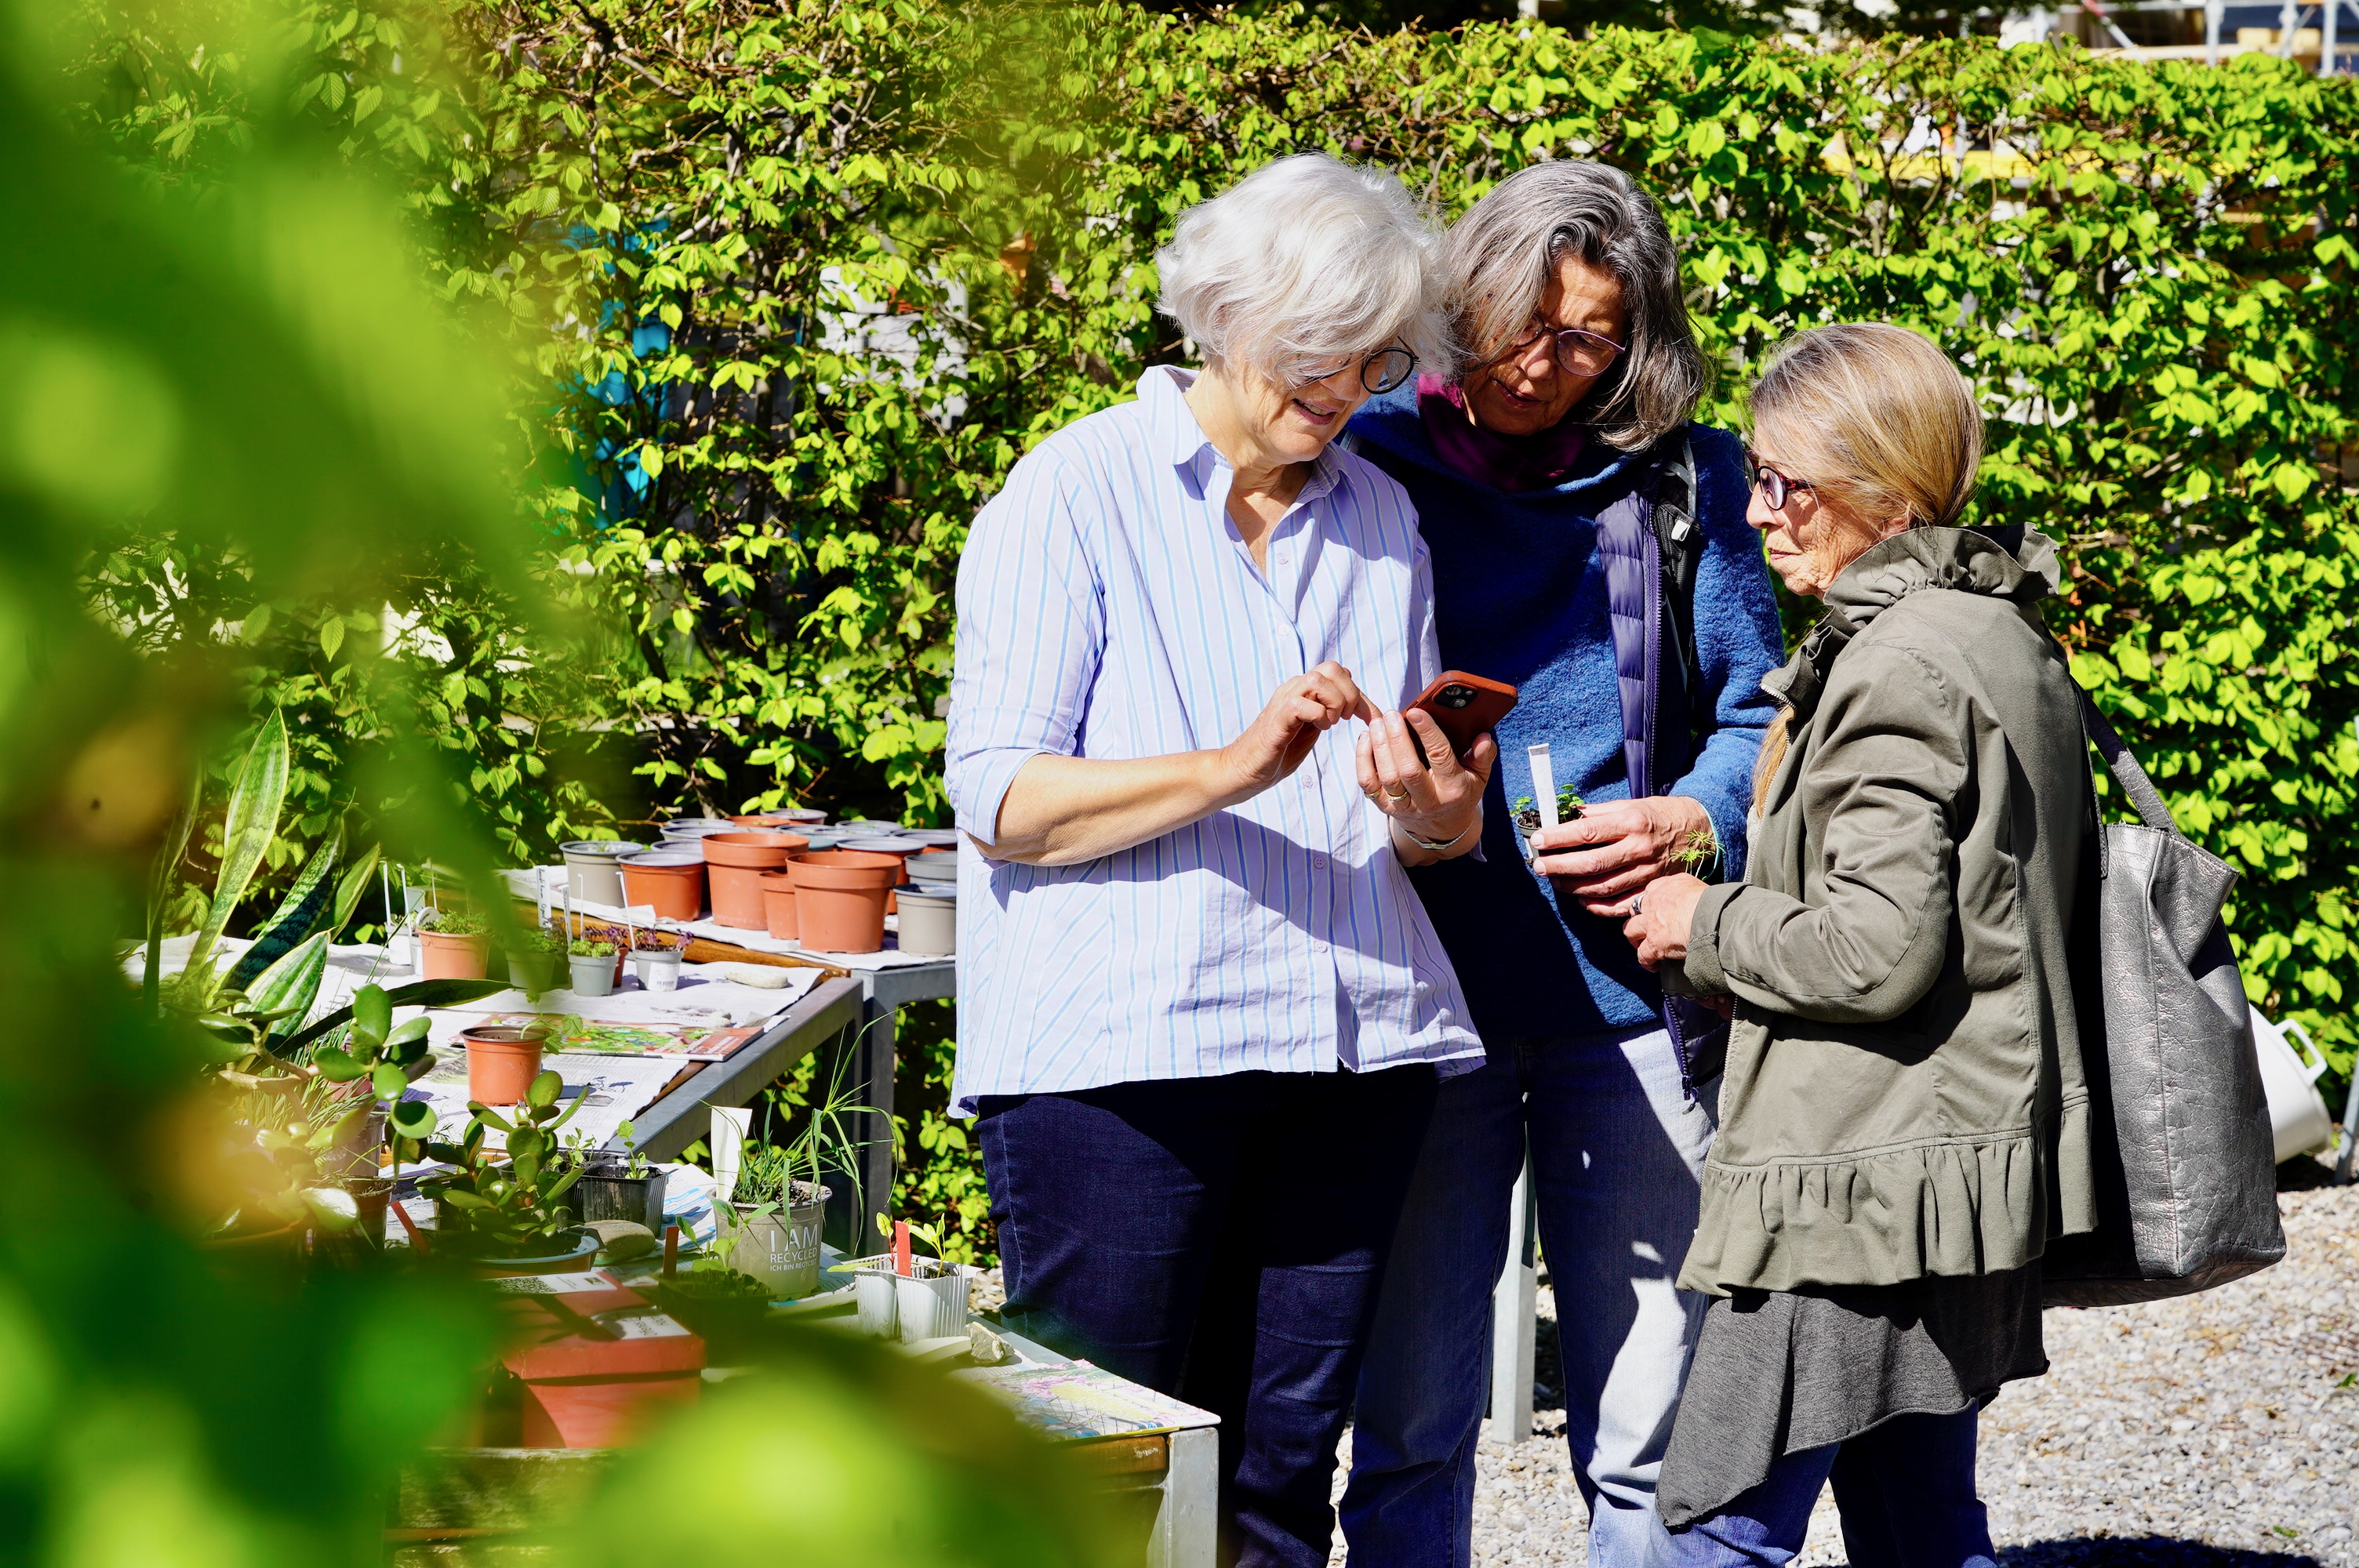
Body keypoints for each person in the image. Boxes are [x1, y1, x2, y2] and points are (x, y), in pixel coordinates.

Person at [944, 154, 1495, 1568]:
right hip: (1125, 1063)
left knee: (1275, 1491)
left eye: (1376, 358)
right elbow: (1001, 799)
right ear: (1225, 311)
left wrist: (1437, 811)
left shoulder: (1381, 517)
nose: (1346, 386)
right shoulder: (1073, 491)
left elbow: (1415, 833)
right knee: (1099, 1480)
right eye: (1319, 347)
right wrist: (1231, 768)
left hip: (1351, 1051)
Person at [1338, 159, 1787, 1568]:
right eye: (1525, 323)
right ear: (1461, 295)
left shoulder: (1684, 480)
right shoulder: (1364, 458)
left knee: (1650, 1426)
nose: (1546, 363)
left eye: (1592, 337)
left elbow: (1759, 712)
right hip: (1420, 993)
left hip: (1634, 1002)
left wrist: (1691, 821)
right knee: (1408, 1419)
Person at [1620, 321, 2098, 1564]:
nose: (1757, 513)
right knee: (1919, 1521)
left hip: (1852, 1180)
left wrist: (1701, 920)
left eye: (1785, 484)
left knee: (1714, 1525)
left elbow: (1877, 949)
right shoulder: (1999, 629)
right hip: (1954, 1168)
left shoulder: (1897, 664)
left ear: (1885, 495)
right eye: (1753, 476)